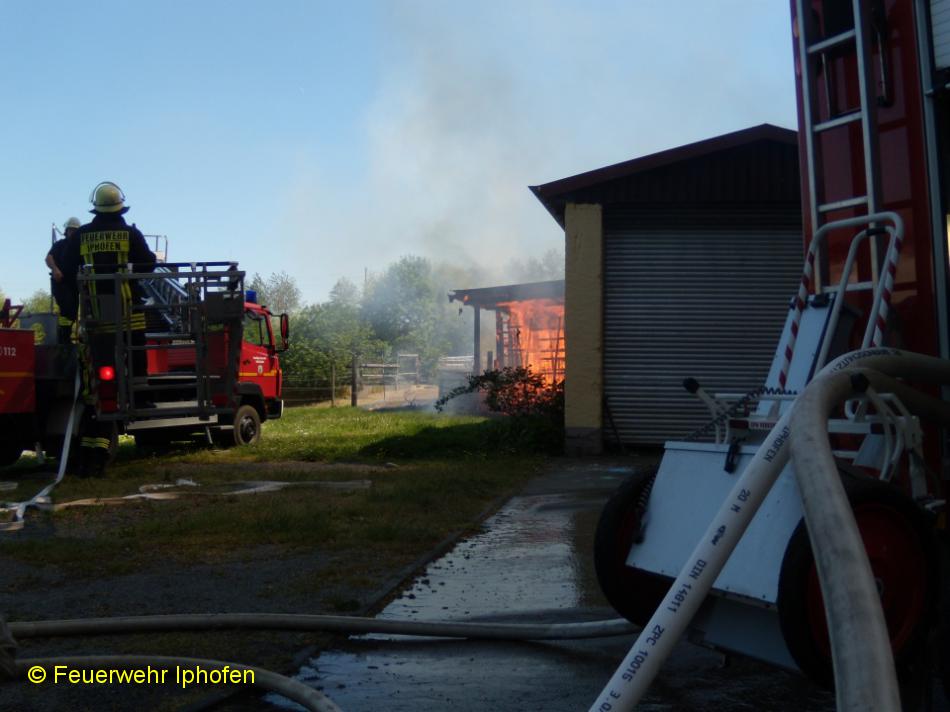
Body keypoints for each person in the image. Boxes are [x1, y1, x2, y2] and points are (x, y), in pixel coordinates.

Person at [60, 181, 156, 476]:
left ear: (96, 208)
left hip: (96, 317)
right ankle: (141, 396)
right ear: (120, 208)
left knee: (101, 378)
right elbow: (149, 264)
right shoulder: (130, 233)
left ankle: (96, 428)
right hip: (127, 312)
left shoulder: (82, 235)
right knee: (137, 354)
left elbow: (66, 268)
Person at [46, 217, 82, 342]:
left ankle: (68, 334)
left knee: (74, 310)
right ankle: (63, 335)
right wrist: (55, 269)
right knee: (67, 308)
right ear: (66, 231)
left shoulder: (80, 247)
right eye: (71, 230)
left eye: (76, 231)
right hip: (61, 282)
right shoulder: (60, 245)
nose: (73, 233)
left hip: (75, 284)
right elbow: (49, 258)